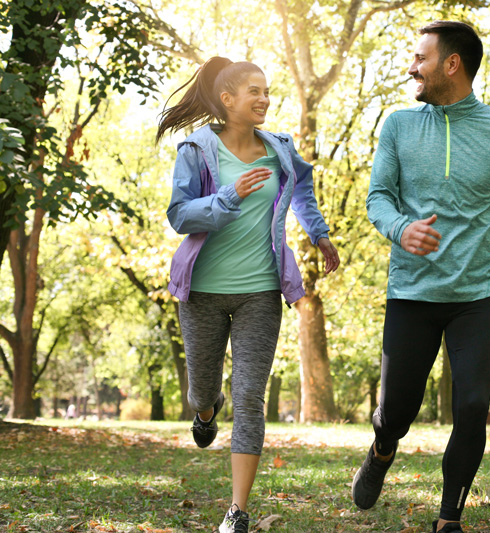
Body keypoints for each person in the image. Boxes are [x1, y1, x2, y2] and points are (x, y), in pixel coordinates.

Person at [352, 21, 490, 533]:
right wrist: (400, 229)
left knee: (473, 405)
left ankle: (449, 519)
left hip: (476, 295)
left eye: (421, 58)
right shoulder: (398, 125)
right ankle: (382, 445)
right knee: (397, 410)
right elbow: (378, 198)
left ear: (451, 64)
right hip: (412, 291)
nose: (412, 66)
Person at [156, 57, 339, 533]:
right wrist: (229, 196)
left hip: (261, 289)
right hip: (203, 292)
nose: (263, 99)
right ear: (227, 99)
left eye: (267, 91)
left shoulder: (278, 148)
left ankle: (237, 510)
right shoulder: (197, 149)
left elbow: (300, 188)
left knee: (251, 395)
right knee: (203, 389)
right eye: (253, 91)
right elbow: (180, 215)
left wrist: (317, 233)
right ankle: (204, 410)